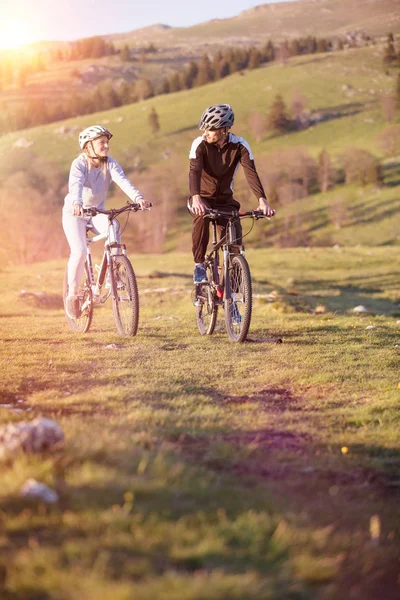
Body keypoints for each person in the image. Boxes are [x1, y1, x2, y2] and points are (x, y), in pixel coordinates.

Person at [62, 125, 150, 318]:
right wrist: (77, 202)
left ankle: (114, 274)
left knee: (114, 227)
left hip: (95, 212)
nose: (107, 146)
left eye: (107, 142)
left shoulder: (109, 163)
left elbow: (123, 180)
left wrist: (138, 198)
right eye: (102, 142)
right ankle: (73, 295)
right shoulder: (79, 164)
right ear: (88, 146)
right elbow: (75, 185)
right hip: (74, 213)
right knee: (79, 251)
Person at [188, 104, 275, 283]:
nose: (207, 132)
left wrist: (262, 201)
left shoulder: (240, 145)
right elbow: (194, 171)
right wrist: (196, 197)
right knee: (200, 217)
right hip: (202, 198)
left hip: (225, 200)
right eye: (206, 128)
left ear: (224, 129)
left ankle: (233, 298)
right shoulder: (200, 144)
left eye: (211, 129)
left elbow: (251, 173)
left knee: (235, 244)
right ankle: (199, 265)